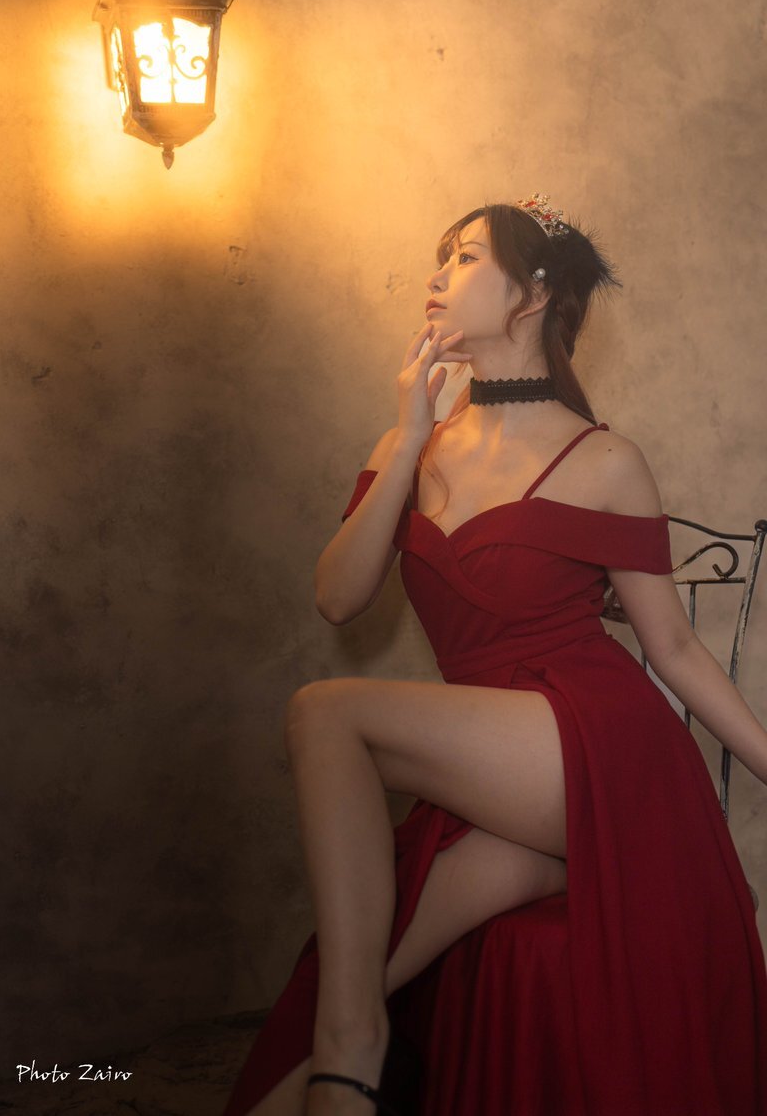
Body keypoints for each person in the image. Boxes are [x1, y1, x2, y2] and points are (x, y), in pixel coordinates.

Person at [222, 194, 767, 1116]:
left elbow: (673, 650)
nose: (437, 276)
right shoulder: (413, 444)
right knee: (359, 961)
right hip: (496, 773)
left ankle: (354, 1052)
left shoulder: (606, 459)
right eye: (442, 257)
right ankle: (345, 1052)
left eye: (465, 257)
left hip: (601, 747)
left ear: (534, 293)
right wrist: (408, 437)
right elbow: (338, 598)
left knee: (324, 710)